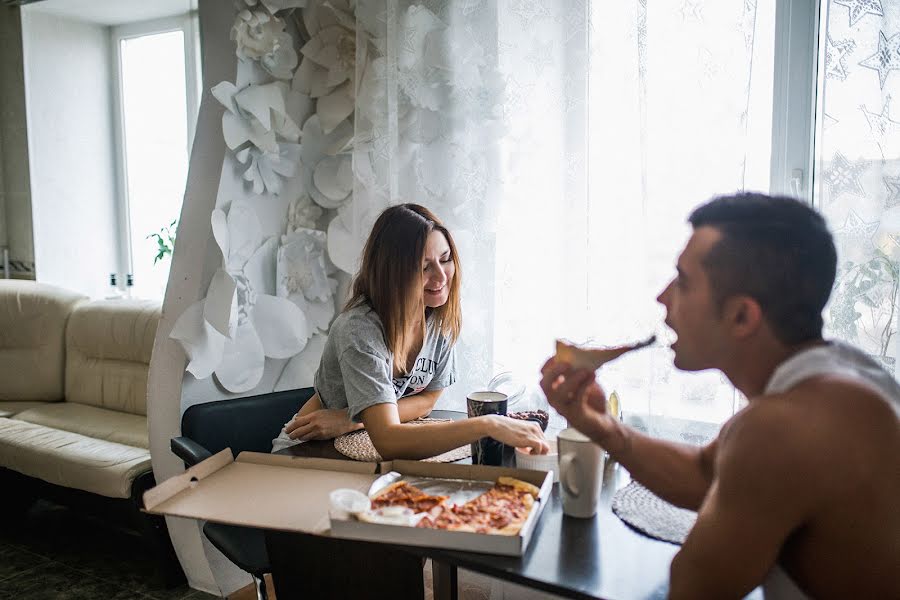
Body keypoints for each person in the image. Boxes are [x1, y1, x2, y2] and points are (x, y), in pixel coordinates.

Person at [541, 193, 900, 599]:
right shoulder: (842, 376)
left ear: (742, 316)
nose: (663, 297)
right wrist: (604, 429)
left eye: (684, 282)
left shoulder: (784, 428)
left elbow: (690, 593)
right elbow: (705, 476)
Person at [273, 203, 548, 459]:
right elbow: (389, 440)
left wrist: (348, 419)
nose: (441, 277)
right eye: (424, 267)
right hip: (303, 454)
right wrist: (487, 425)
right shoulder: (359, 330)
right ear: (393, 273)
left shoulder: (438, 320)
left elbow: (427, 400)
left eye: (446, 259)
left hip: (359, 444)